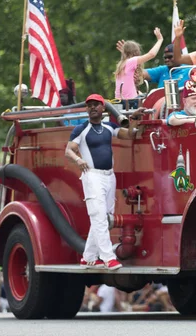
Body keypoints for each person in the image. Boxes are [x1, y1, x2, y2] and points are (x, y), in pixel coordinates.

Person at [64, 94, 140, 270]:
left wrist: (135, 120)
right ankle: (108, 258)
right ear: (86, 109)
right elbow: (68, 151)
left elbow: (130, 135)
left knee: (103, 217)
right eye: (89, 105)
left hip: (109, 176)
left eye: (96, 105)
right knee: (99, 217)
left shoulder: (109, 126)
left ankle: (88, 257)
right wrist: (78, 160)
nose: (92, 107)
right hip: (92, 175)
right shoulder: (81, 129)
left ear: (103, 108)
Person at [114, 28, 164, 106]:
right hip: (130, 101)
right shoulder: (131, 61)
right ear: (136, 52)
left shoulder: (122, 64)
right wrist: (160, 40)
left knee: (143, 95)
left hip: (119, 101)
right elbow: (151, 54)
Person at [116, 42, 192, 88]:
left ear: (179, 56)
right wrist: (128, 58)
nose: (166, 60)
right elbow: (140, 73)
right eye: (165, 58)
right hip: (161, 108)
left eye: (170, 57)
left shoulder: (190, 70)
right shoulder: (163, 70)